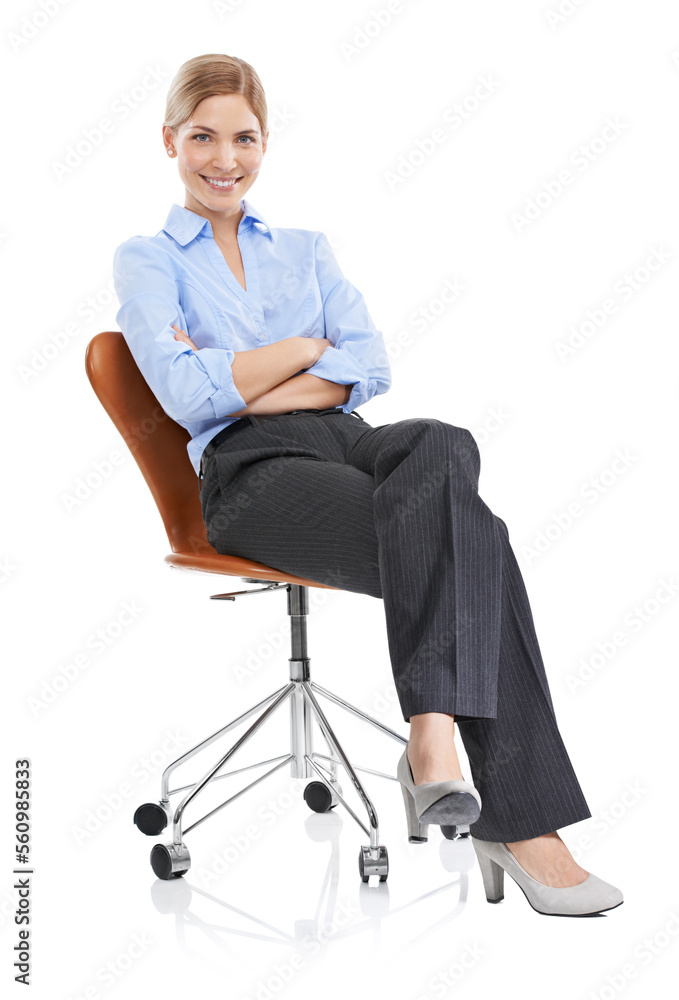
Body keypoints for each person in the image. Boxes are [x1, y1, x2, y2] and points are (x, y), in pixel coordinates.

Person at [112, 53, 623, 916]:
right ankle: (522, 824)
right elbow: (192, 396)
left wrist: (251, 370)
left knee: (443, 443)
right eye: (203, 137)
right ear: (170, 140)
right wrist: (309, 351)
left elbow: (373, 364)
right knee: (478, 542)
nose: (224, 159)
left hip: (349, 441)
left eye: (244, 138)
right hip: (250, 469)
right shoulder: (147, 258)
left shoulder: (306, 250)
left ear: (265, 144)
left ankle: (432, 733)